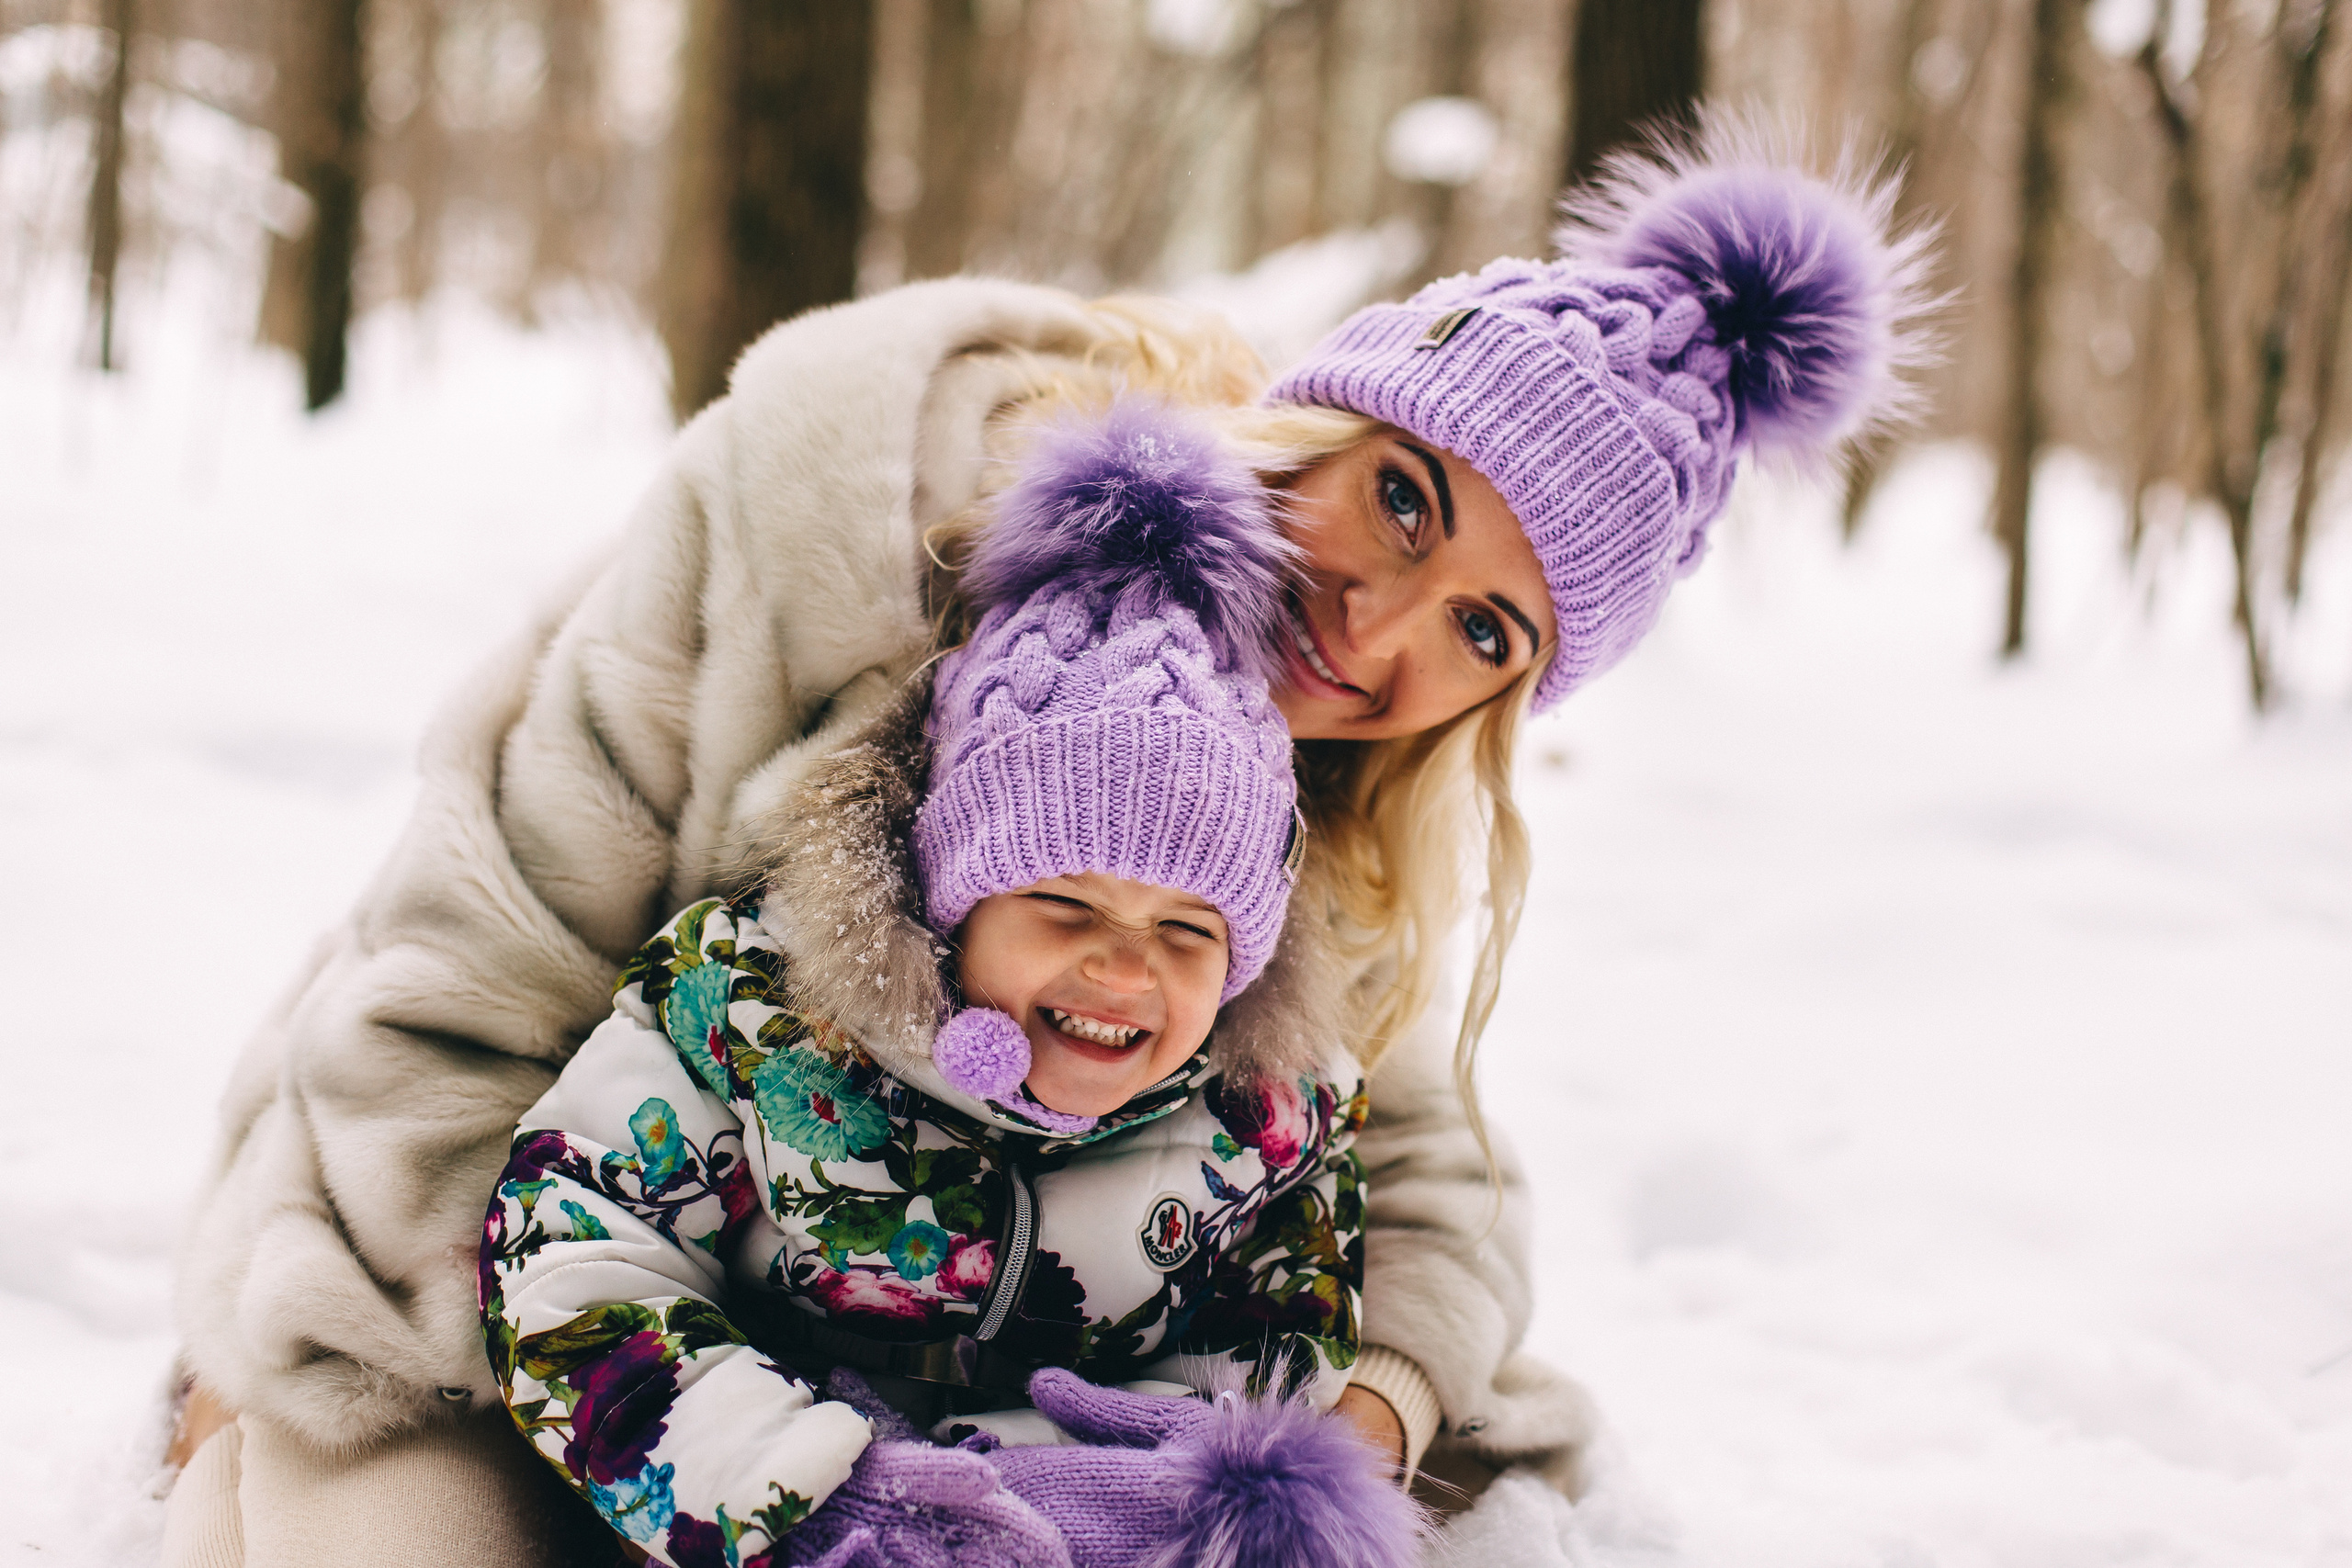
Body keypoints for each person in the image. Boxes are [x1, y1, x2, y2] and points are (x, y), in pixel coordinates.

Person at [162, 125, 1928, 1567]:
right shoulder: (842, 525)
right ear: (1330, 414)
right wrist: (471, 1365)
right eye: (1403, 499)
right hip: (542, 1249)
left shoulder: (1358, 790)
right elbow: (482, 954)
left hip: (989, 1393)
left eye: (1487, 630)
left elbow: (1420, 1169)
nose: (1381, 630)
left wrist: (1336, 1431)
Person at [479, 401, 1424, 1567]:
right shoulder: (749, 1017)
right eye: (1064, 906)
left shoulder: (1267, 1121)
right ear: (952, 898)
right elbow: (575, 1257)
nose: (1125, 967)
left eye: (1188, 930)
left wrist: (1113, 1479)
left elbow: (1270, 1347)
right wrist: (810, 1495)